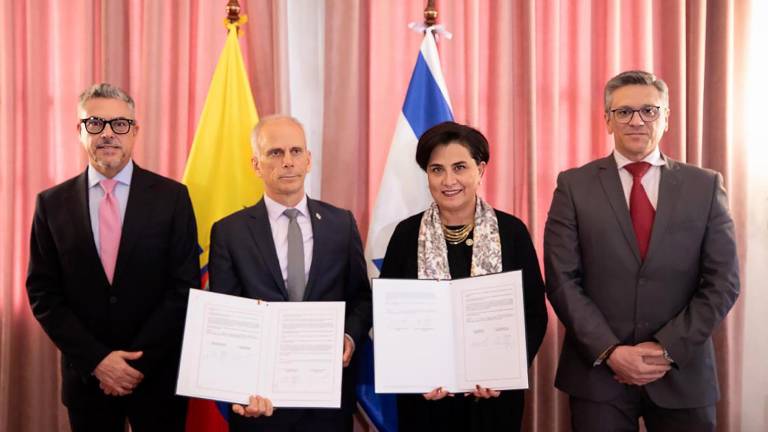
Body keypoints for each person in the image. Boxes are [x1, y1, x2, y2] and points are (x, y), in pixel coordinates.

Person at [544, 70, 740, 431]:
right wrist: (611, 352)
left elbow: (723, 281)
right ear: (607, 120)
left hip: (683, 373)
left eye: (649, 110)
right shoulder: (573, 186)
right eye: (624, 112)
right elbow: (561, 280)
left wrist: (666, 349)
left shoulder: (705, 186)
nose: (637, 121)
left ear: (666, 118)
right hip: (598, 375)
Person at [26, 83, 200, 431]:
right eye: (95, 124)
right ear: (79, 131)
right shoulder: (51, 204)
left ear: (135, 131)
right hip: (87, 380)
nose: (108, 134)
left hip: (158, 377)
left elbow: (183, 289)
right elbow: (43, 293)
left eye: (119, 124)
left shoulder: (173, 198)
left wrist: (137, 364)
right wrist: (98, 361)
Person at [379, 121, 549, 432]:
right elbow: (391, 319)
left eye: (460, 167)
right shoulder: (406, 235)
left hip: (494, 397)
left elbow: (534, 314)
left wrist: (505, 371)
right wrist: (413, 374)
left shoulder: (512, 232)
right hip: (425, 400)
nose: (449, 180)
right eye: (437, 170)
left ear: (480, 169)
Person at [208, 115, 372, 432]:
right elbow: (224, 318)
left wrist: (349, 337)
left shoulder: (341, 224)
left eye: (296, 152)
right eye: (275, 153)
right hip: (261, 403)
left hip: (327, 401)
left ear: (308, 160)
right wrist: (239, 392)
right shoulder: (230, 232)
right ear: (256, 165)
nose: (287, 162)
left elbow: (361, 298)